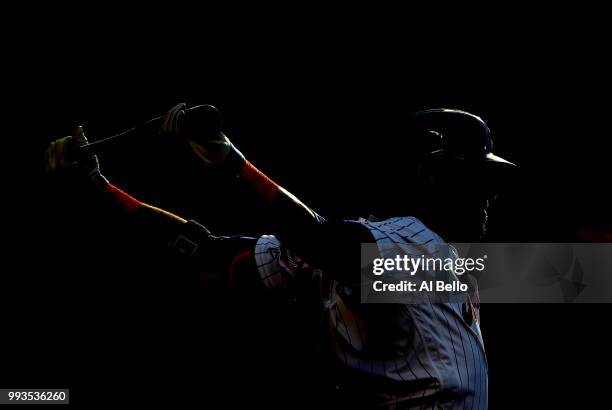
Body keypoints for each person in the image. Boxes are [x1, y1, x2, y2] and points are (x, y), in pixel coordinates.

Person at [45, 104, 516, 409]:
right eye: (475, 184)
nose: (486, 198)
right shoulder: (408, 241)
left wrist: (98, 187)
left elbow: (310, 243)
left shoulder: (442, 257)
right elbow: (217, 253)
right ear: (427, 174)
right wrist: (233, 166)